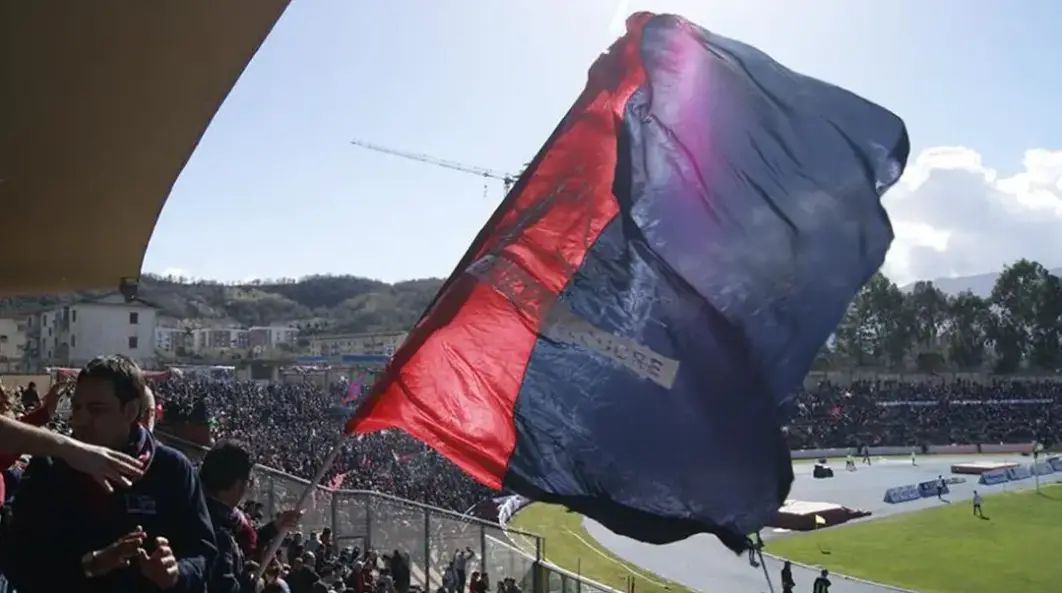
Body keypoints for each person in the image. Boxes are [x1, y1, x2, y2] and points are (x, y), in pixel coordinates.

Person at [2, 355, 217, 593]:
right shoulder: (49, 467)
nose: (80, 420)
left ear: (130, 410)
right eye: (77, 407)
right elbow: (17, 559)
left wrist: (177, 573)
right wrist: (89, 565)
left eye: (96, 409)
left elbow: (203, 552)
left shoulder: (172, 469)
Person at [201, 439, 258, 593]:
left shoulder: (196, 508)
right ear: (238, 485)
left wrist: (275, 528)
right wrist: (253, 585)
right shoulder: (219, 536)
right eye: (248, 481)